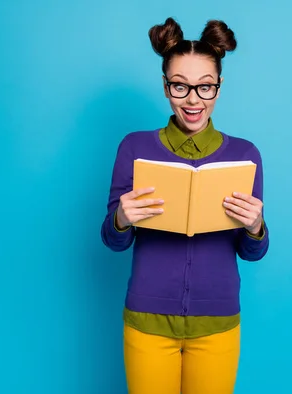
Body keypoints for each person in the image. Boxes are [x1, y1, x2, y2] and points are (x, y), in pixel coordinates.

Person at [100, 16, 270, 394]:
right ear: (165, 86)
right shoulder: (135, 147)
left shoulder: (245, 155)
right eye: (180, 86)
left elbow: (252, 251)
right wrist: (122, 219)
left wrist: (256, 227)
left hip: (218, 321)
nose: (193, 100)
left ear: (219, 88)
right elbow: (113, 240)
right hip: (146, 321)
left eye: (205, 87)